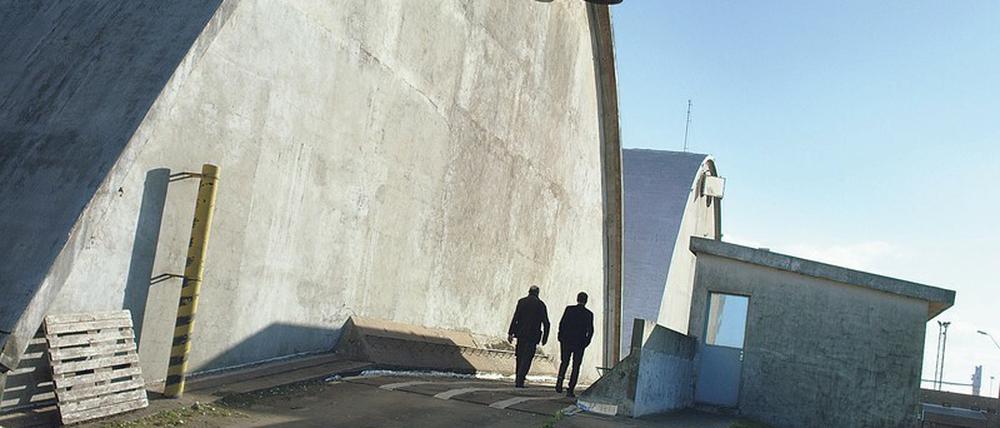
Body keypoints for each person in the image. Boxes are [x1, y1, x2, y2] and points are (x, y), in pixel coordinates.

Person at [507, 285, 550, 388]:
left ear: (529, 291)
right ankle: (521, 378)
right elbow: (546, 323)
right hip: (533, 336)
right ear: (538, 293)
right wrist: (545, 337)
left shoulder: (522, 302)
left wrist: (510, 332)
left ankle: (518, 377)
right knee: (527, 358)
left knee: (520, 356)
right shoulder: (541, 305)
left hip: (521, 334)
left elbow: (516, 317)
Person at [556, 292, 593, 397]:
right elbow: (590, 330)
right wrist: (586, 342)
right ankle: (571, 388)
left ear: (577, 299)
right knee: (576, 366)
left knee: (564, 362)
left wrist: (560, 336)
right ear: (586, 301)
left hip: (566, 341)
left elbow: (562, 323)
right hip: (579, 343)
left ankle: (559, 382)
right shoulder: (588, 314)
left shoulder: (569, 309)